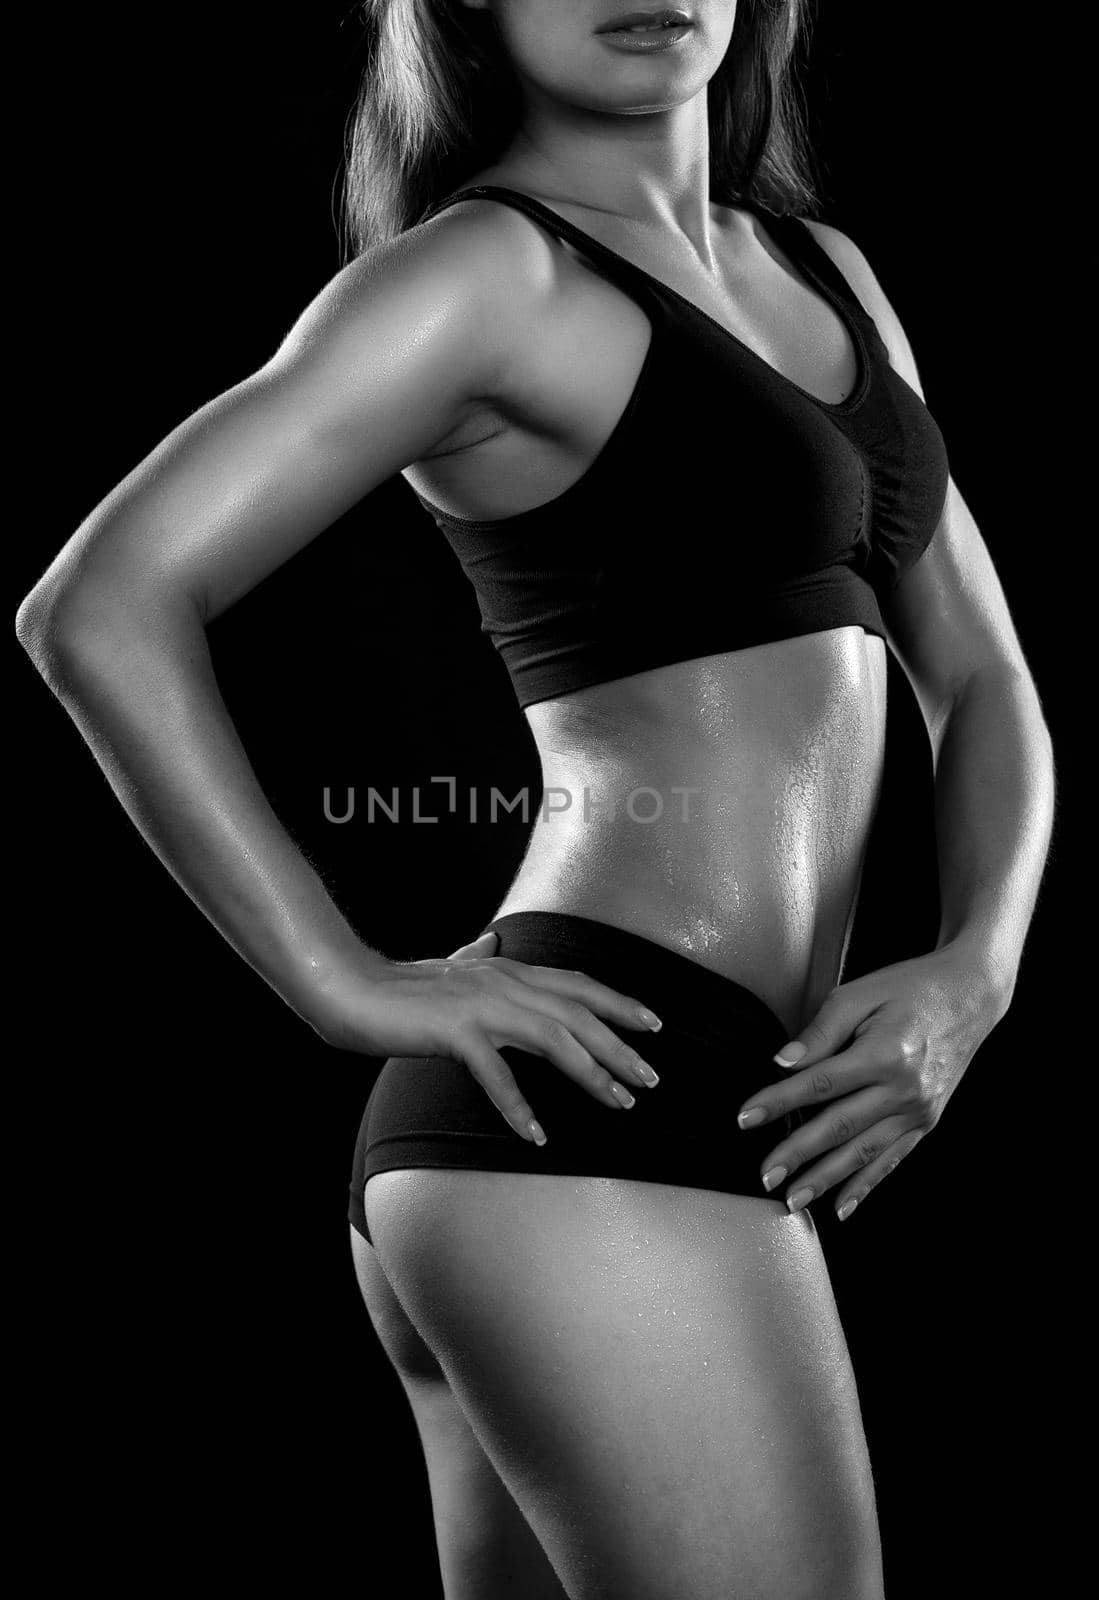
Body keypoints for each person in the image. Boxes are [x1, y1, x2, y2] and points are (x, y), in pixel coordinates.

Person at [16, 3, 1056, 1597]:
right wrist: (337, 979)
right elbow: (99, 607)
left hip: (650, 1119)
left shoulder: (827, 276)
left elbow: (982, 682)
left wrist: (974, 973)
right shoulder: (487, 279)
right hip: (587, 1103)